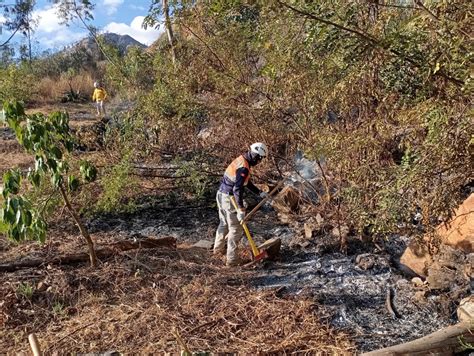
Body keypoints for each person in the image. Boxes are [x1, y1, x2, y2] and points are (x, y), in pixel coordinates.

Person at [214, 142, 269, 266]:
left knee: (223, 224)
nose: (259, 162)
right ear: (256, 155)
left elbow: (245, 182)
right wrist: (240, 209)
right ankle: (232, 260)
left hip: (221, 194)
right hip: (229, 199)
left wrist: (259, 192)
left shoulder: (241, 160)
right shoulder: (244, 167)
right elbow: (237, 189)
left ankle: (217, 252)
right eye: (259, 159)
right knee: (235, 229)